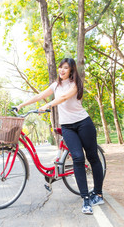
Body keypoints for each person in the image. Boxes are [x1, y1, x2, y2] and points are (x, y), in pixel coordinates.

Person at [16, 58, 104, 215]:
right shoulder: (55, 85)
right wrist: (21, 105)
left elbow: (63, 98)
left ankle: (98, 194)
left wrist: (48, 105)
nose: (62, 70)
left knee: (92, 157)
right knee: (77, 158)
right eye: (60, 67)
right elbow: (40, 95)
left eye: (66, 68)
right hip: (67, 127)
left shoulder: (75, 84)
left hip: (84, 123)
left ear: (71, 70)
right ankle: (85, 199)